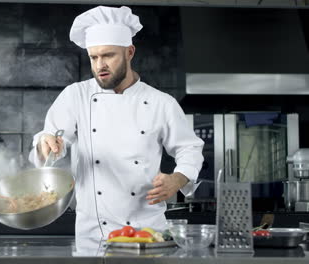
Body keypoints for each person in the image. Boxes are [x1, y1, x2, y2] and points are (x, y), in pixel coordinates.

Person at [29, 6, 204, 238]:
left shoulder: (161, 103)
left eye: (108, 55)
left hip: (147, 232)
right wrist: (45, 144)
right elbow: (45, 147)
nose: (100, 65)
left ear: (129, 52)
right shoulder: (76, 96)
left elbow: (189, 149)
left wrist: (177, 178)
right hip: (93, 234)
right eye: (94, 57)